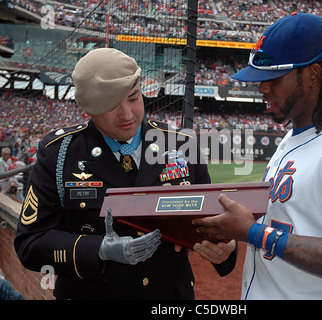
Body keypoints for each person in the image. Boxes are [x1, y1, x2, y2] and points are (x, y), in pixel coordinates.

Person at [192, 13, 322, 300]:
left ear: (313, 74)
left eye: (273, 78)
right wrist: (236, 239)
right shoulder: (293, 137)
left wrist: (253, 233)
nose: (262, 87)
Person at [14, 48, 236, 300]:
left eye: (133, 98)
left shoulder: (181, 145)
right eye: (111, 105)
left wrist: (225, 250)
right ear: (88, 107)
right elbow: (30, 244)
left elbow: (210, 225)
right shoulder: (60, 153)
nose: (127, 115)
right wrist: (97, 250)